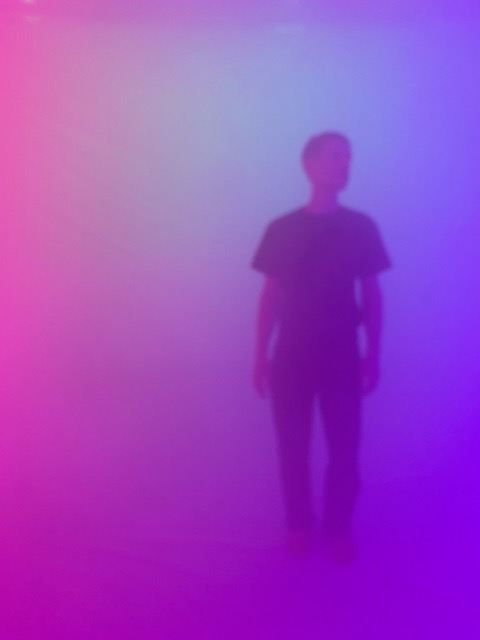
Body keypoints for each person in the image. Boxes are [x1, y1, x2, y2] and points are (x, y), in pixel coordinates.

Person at [250, 132, 392, 563]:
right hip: (291, 355)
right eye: (334, 156)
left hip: (341, 355)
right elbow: (271, 296)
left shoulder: (360, 227)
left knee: (344, 448)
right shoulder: (282, 229)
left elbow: (372, 294)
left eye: (348, 157)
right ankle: (298, 523)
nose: (344, 165)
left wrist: (374, 353)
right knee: (292, 447)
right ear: (309, 164)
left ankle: (338, 528)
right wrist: (259, 355)